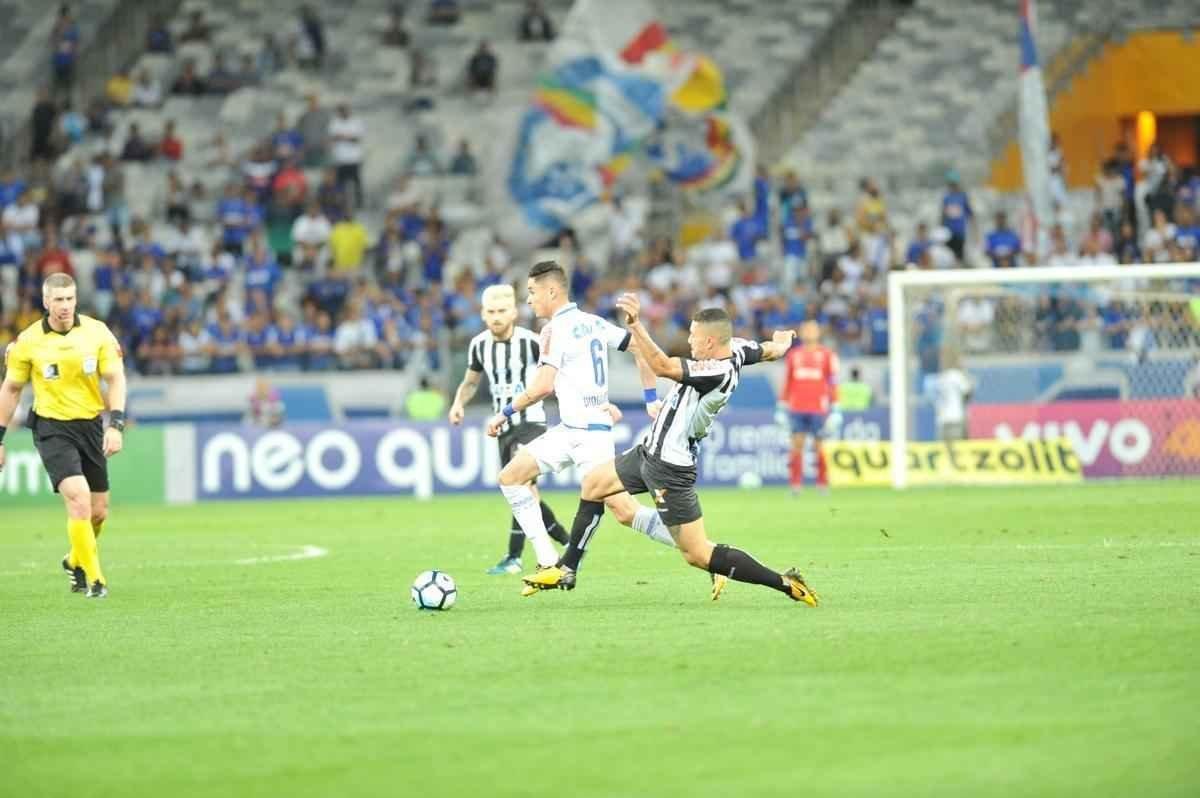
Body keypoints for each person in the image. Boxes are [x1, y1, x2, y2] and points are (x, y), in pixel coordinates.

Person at [522, 297, 817, 606]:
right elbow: (767, 350)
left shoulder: (715, 371)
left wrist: (636, 326)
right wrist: (781, 343)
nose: (688, 340)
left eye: (693, 336)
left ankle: (785, 583)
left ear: (710, 341)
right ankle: (567, 569)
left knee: (699, 554)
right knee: (594, 484)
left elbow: (662, 366)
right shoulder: (739, 348)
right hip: (649, 452)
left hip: (670, 467)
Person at [483, 261, 673, 592]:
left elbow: (544, 385)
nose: (528, 301)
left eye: (531, 292)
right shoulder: (592, 322)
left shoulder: (556, 329)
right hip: (570, 429)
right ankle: (547, 562)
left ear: (551, 291)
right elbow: (641, 346)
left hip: (591, 436)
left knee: (625, 511)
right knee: (511, 477)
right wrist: (648, 396)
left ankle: (701, 551)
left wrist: (506, 412)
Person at [0, 273, 127, 598]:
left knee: (98, 512)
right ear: (45, 302)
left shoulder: (96, 332)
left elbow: (115, 378)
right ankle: (96, 580)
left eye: (70, 299)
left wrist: (116, 424)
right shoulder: (28, 342)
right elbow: (12, 389)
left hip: (89, 425)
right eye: (58, 300)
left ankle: (74, 560)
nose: (65, 306)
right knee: (79, 499)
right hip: (52, 428)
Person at [449, 284, 569, 574]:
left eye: (502, 311)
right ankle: (568, 542)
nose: (496, 317)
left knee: (521, 484)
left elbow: (558, 374)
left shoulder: (532, 342)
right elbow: (471, 382)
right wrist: (458, 403)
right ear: (482, 314)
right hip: (502, 427)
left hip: (531, 422)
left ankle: (519, 557)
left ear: (514, 312)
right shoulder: (479, 345)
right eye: (490, 312)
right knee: (522, 491)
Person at [779, 320, 838, 495]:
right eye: (806, 329)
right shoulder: (793, 355)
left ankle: (822, 483)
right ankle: (796, 485)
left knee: (819, 445)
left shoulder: (827, 355)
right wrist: (781, 406)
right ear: (801, 333)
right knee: (797, 445)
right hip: (797, 407)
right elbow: (788, 382)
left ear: (819, 332)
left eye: (813, 329)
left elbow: (833, 382)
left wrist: (836, 407)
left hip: (819, 407)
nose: (809, 332)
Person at [934, 353, 973, 441]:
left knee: (943, 448)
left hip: (942, 418)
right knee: (957, 447)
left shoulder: (941, 378)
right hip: (956, 417)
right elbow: (967, 392)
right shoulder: (956, 376)